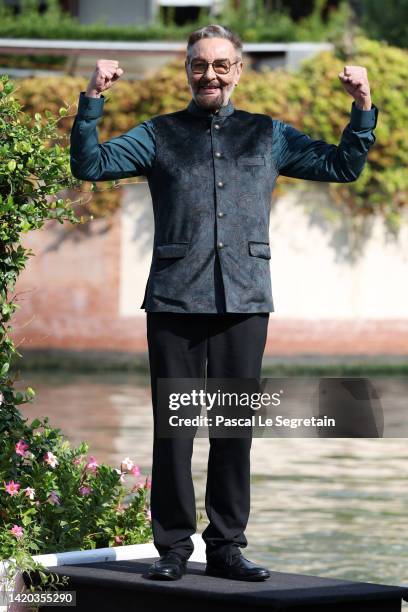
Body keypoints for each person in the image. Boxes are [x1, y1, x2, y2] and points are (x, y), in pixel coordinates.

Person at [70, 24, 378, 582]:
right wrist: (92, 100)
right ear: (187, 70)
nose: (208, 74)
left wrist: (362, 108)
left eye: (220, 64)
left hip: (245, 299)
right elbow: (90, 166)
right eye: (198, 64)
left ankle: (227, 547)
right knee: (175, 429)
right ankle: (170, 548)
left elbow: (342, 166)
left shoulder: (269, 135)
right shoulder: (159, 134)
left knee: (234, 429)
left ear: (237, 70)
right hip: (173, 299)